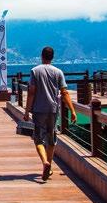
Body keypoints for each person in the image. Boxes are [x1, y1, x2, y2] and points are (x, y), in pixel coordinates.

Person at [23, 47, 77, 181]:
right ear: (52, 57)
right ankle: (50, 165)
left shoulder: (35, 71)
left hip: (38, 109)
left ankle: (45, 163)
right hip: (53, 110)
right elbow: (64, 92)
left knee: (38, 139)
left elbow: (31, 92)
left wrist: (26, 111)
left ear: (41, 56)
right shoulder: (58, 72)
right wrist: (72, 110)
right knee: (51, 139)